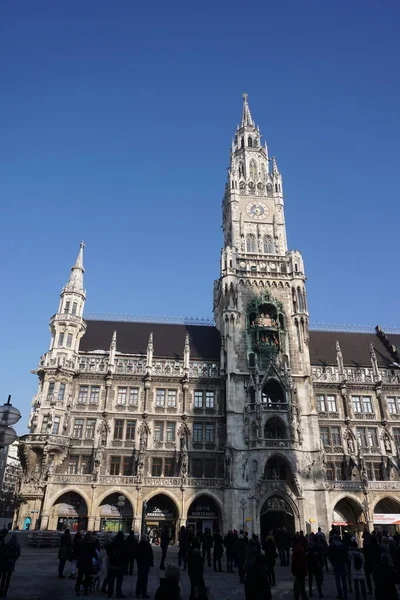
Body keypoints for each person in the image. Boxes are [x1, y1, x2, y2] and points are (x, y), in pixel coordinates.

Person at [75, 531, 98, 597]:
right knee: (87, 576)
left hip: (82, 561)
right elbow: (94, 553)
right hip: (88, 561)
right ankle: (85, 590)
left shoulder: (82, 542)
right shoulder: (92, 543)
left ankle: (77, 588)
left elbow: (79, 551)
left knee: (80, 575)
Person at [106, 531, 128, 599]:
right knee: (119, 581)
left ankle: (110, 592)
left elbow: (108, 550)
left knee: (111, 580)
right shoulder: (124, 544)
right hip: (121, 565)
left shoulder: (113, 543)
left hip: (112, 564)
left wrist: (111, 555)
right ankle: (118, 593)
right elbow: (127, 555)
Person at [328, 534, 348, 600]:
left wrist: (333, 563)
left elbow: (329, 555)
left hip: (336, 564)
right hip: (342, 564)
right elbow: (346, 555)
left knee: (338, 580)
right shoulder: (342, 545)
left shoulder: (332, 546)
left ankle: (340, 594)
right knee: (344, 580)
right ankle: (345, 594)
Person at [0, 533, 20, 598]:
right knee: (8, 579)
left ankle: (1, 592)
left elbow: (3, 553)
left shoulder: (7, 544)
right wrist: (14, 560)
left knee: (3, 578)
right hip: (11, 564)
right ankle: (5, 593)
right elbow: (18, 555)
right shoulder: (17, 545)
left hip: (5, 563)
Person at [135, 533, 154, 599]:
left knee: (139, 578)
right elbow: (151, 555)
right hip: (146, 564)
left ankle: (138, 593)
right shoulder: (148, 545)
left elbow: (136, 555)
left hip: (140, 564)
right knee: (145, 579)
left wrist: (138, 561)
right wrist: (151, 563)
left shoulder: (139, 545)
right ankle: (143, 593)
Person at [292, 535, 308, 600]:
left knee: (301, 588)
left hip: (299, 571)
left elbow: (297, 562)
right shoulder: (298, 548)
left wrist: (294, 570)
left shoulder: (297, 550)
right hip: (300, 571)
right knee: (297, 587)